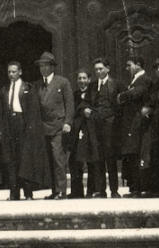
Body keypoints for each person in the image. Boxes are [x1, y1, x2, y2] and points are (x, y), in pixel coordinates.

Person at [0, 61, 50, 200]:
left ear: (20, 72)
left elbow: (33, 111)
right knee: (11, 160)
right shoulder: (4, 90)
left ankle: (28, 192)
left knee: (25, 160)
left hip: (23, 125)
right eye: (9, 72)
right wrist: (2, 130)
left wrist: (30, 130)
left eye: (14, 71)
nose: (11, 74)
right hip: (9, 125)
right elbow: (1, 112)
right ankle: (14, 193)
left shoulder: (28, 88)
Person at [36, 50, 74, 200]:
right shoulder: (39, 85)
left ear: (52, 67)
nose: (43, 68)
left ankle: (61, 191)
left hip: (59, 126)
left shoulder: (62, 82)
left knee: (58, 158)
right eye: (41, 66)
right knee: (49, 160)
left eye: (45, 65)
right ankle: (54, 190)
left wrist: (68, 122)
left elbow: (69, 103)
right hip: (44, 126)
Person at [86, 56, 123, 199]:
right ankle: (101, 190)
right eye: (96, 69)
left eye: (101, 69)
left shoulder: (116, 84)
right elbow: (86, 102)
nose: (98, 72)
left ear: (108, 69)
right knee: (98, 158)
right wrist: (86, 109)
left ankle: (114, 190)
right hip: (95, 126)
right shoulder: (92, 86)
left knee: (110, 158)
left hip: (111, 126)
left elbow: (121, 104)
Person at [134, 58, 159, 198]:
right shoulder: (156, 84)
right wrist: (148, 109)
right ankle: (156, 188)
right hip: (155, 126)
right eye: (156, 68)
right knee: (154, 157)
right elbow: (152, 101)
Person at [116, 53, 150, 196]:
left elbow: (135, 93)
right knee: (131, 154)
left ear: (138, 65)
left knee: (136, 154)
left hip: (138, 123)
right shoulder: (135, 80)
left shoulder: (144, 79)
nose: (127, 68)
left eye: (129, 65)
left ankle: (138, 187)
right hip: (131, 123)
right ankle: (134, 187)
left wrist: (122, 95)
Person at [67, 68, 96, 198]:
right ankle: (76, 191)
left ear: (89, 80)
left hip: (90, 130)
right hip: (77, 130)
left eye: (84, 78)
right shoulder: (74, 95)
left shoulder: (94, 93)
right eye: (79, 78)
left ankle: (91, 191)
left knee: (91, 160)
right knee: (74, 160)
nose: (82, 81)